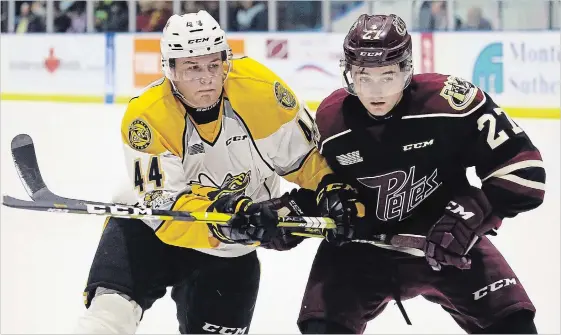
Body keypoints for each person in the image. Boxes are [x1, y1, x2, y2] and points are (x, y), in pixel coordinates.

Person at [74, 10, 337, 334]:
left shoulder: (261, 92)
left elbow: (308, 161)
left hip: (231, 251)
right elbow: (165, 207)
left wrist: (329, 191)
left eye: (214, 65)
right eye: (192, 67)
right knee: (106, 320)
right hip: (149, 232)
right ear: (169, 69)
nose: (206, 78)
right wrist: (230, 215)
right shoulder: (147, 117)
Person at [296, 14, 545, 334]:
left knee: (516, 326)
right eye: (364, 76)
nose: (375, 90)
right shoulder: (332, 122)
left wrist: (475, 212)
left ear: (405, 70)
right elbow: (322, 189)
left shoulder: (450, 103)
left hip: (449, 243)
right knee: (320, 327)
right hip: (361, 250)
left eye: (386, 75)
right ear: (349, 74)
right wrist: (283, 214)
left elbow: (525, 169)